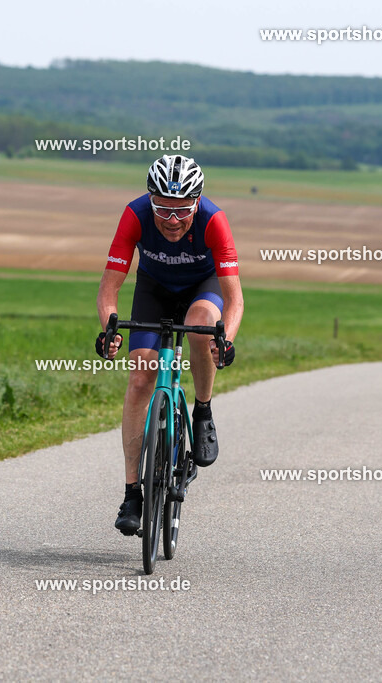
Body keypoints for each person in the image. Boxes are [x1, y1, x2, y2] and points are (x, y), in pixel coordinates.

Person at [95, 155, 244, 535]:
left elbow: (235, 299)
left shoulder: (214, 220)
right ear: (150, 201)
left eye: (182, 210)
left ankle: (203, 411)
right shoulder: (135, 215)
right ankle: (132, 494)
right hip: (155, 289)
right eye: (163, 209)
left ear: (197, 200)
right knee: (141, 377)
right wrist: (109, 330)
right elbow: (109, 288)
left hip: (202, 287)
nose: (172, 220)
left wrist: (226, 339)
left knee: (200, 326)